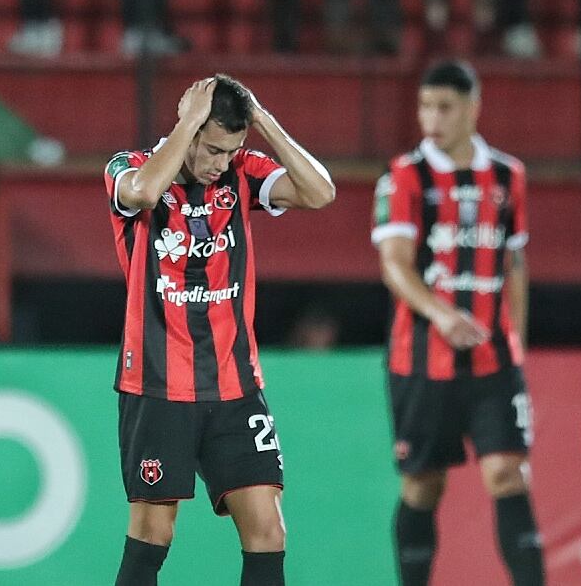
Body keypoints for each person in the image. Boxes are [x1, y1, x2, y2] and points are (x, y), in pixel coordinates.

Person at [103, 75, 335, 585]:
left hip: (234, 386)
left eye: (231, 150)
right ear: (189, 130)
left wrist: (264, 121)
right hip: (158, 385)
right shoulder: (130, 168)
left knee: (268, 532)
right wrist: (187, 125)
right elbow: (141, 194)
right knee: (153, 534)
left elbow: (321, 193)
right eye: (211, 149)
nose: (219, 163)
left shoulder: (241, 174)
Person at [371, 60, 544, 586]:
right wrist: (442, 315)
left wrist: (517, 342)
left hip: (494, 360)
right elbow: (394, 264)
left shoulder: (508, 176)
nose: (432, 118)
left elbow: (514, 262)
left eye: (444, 107)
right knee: (424, 485)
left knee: (507, 471)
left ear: (473, 107)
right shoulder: (403, 177)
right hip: (422, 358)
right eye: (425, 106)